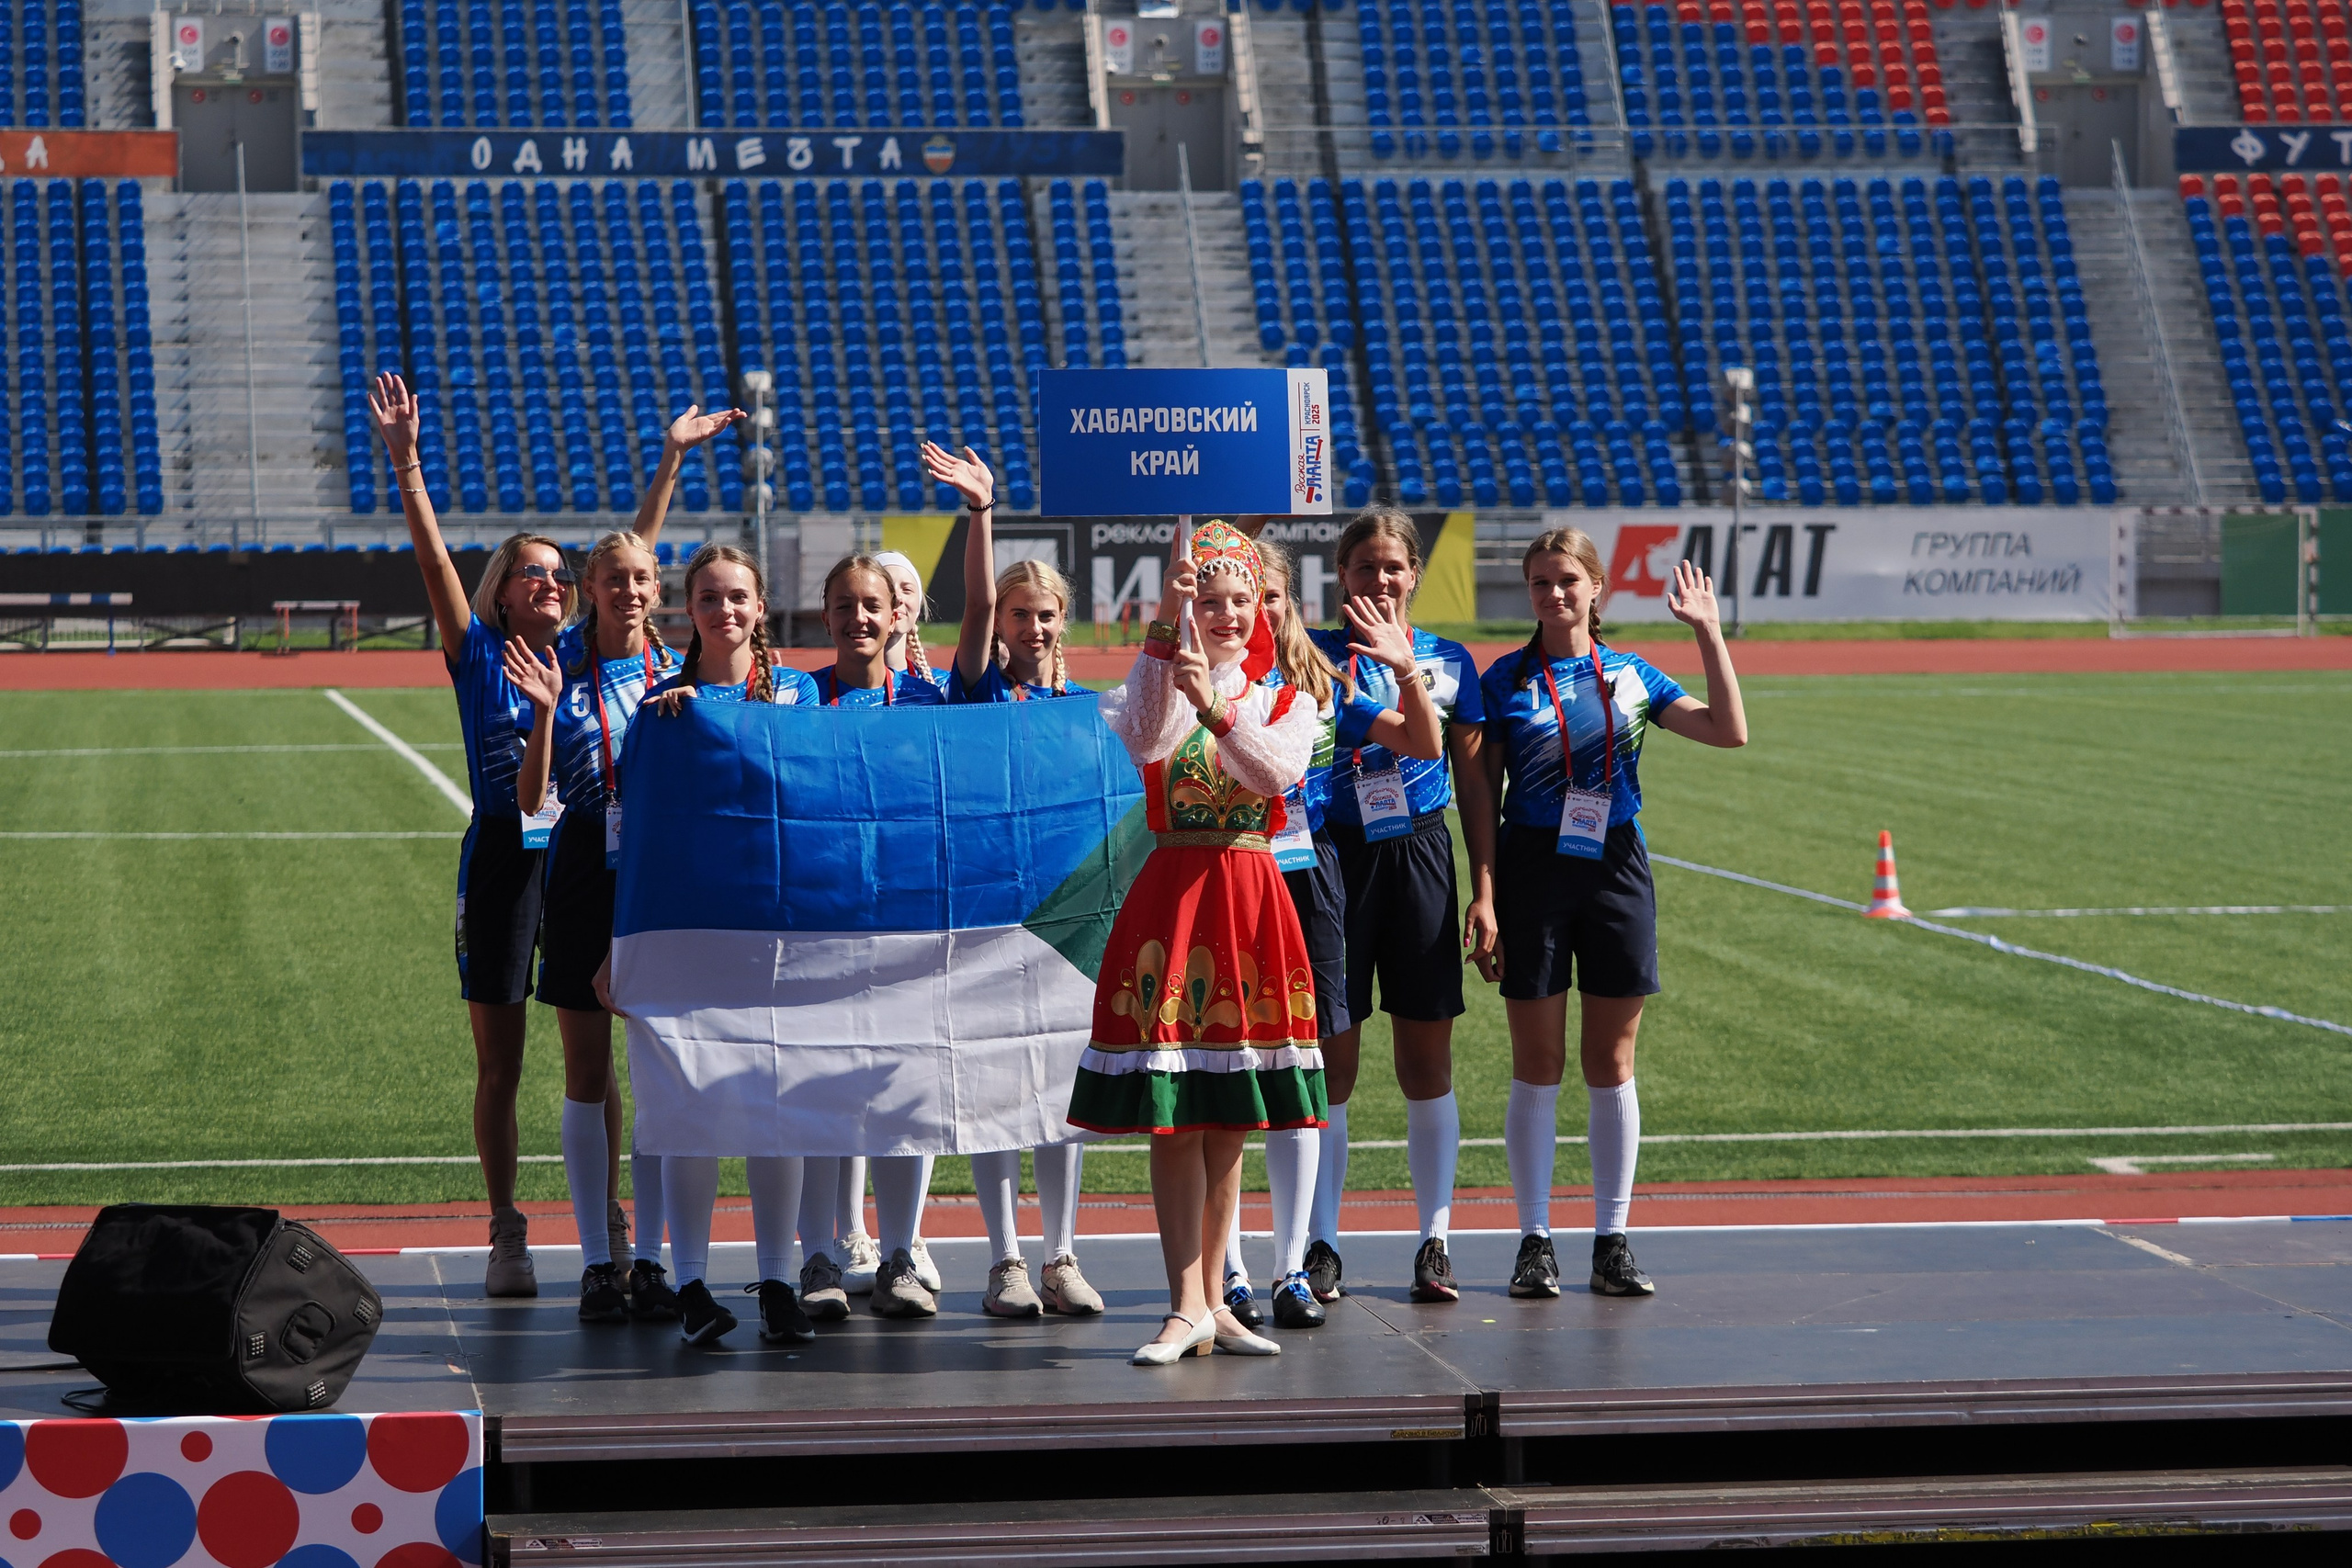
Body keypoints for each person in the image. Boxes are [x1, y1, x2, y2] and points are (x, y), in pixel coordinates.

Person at [504, 408, 747, 1325]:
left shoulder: (677, 666)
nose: (632, 591)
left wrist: (673, 460)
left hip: (660, 880)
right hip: (576, 876)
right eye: (615, 580)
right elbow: (531, 806)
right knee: (584, 1070)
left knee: (659, 1071)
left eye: (645, 579)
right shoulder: (553, 669)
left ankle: (651, 1258)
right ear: (588, 590)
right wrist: (536, 716)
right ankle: (598, 1259)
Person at [1470, 530, 1747, 1299]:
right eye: (1538, 583)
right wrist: (1484, 892)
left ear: (1595, 587)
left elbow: (1730, 729)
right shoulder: (1504, 681)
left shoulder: (1631, 674)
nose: (1552, 594)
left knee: (1611, 1062)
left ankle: (1612, 1240)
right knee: (1537, 1063)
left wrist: (1708, 632)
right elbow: (1481, 803)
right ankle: (1534, 1240)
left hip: (1617, 867)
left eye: (1566, 580)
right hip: (1531, 868)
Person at [1070, 521, 1317, 1368]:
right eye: (1208, 602)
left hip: (1249, 905)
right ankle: (1185, 1304)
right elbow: (1143, 737)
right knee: (1176, 1120)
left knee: (1228, 1120)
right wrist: (1162, 636)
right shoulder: (1167, 681)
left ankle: (1215, 1302)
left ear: (1264, 607)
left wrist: (1215, 703)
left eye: (1240, 600)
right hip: (1174, 902)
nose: (1226, 615)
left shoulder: (1288, 697)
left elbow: (1274, 773)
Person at [368, 371, 576, 1299]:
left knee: (592, 1058)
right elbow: (432, 565)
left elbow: (639, 566)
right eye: (533, 570)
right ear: (501, 589)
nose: (552, 582)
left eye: (561, 574)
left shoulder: (595, 655)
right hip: (502, 857)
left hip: (576, 860)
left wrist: (668, 463)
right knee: (501, 1062)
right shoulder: (479, 650)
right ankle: (505, 1229)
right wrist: (407, 464)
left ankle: (610, 1228)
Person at [1218, 535, 1443, 1331]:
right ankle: (1230, 1268)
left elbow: (1423, 742)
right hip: (1226, 880)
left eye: (1270, 597)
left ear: (1286, 604)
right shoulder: (1205, 680)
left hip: (1308, 885)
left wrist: (1406, 668)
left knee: (1300, 1067)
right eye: (1243, 598)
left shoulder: (1317, 685)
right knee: (1228, 1070)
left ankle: (1290, 1267)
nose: (1256, 612)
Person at [619, 543, 821, 1346]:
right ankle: (693, 1281)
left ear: (761, 607)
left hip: (785, 923)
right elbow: (634, 836)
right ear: (688, 609)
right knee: (691, 1105)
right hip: (690, 929)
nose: (724, 609)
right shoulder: (663, 707)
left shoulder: (802, 695)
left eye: (738, 596)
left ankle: (778, 1280)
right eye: (708, 596)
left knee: (780, 1105)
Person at [923, 440, 1102, 1319]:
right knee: (998, 1089)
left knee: (1068, 1091)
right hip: (990, 912)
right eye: (1018, 614)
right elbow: (976, 599)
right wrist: (983, 512)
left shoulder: (1087, 705)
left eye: (1045, 615)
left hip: (1067, 920)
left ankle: (1062, 1253)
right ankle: (1004, 1261)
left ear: (1064, 620)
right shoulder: (977, 690)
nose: (1031, 627)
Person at [1305, 508, 1494, 1305]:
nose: (1380, 579)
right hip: (1334, 861)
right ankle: (1319, 1245)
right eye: (1364, 566)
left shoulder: (1451, 659)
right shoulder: (1312, 652)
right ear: (1340, 575)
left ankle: (1435, 1243)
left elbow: (1478, 782)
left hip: (1422, 853)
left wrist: (1486, 888)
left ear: (1415, 573)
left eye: (1394, 567)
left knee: (1426, 1064)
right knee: (1332, 1066)